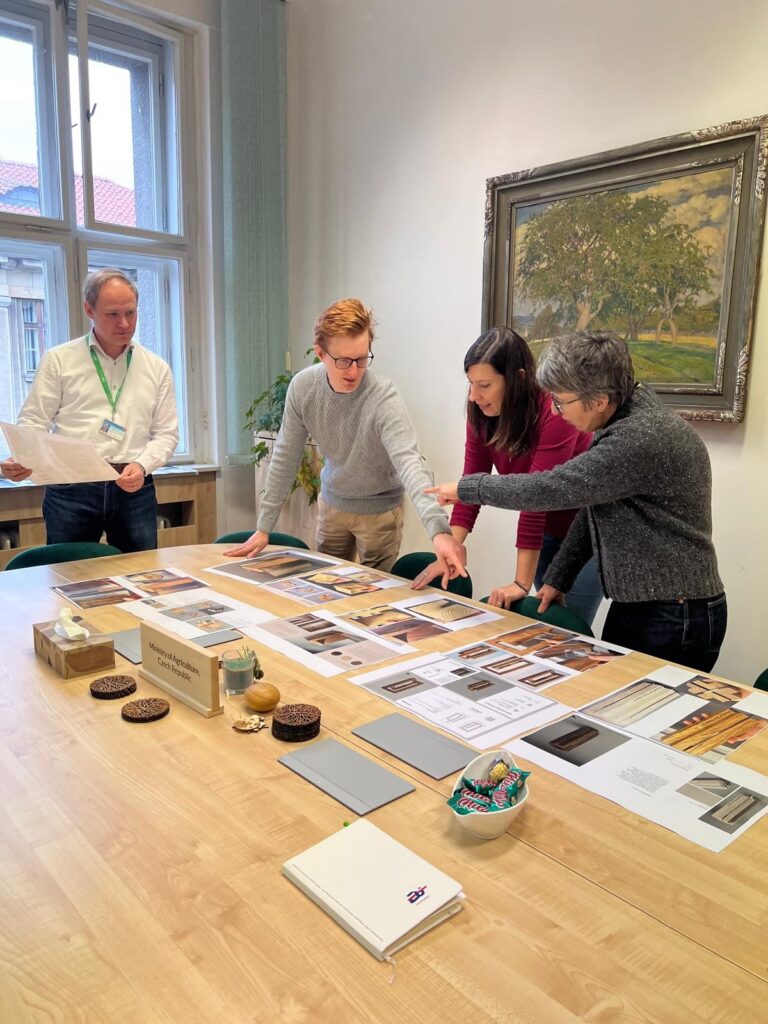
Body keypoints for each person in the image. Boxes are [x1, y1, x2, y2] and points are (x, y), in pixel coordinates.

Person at [427, 332, 726, 672]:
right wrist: (558, 579)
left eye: (561, 401)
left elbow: (550, 489)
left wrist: (468, 488)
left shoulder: (636, 438)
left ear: (599, 399)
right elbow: (594, 510)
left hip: (675, 612)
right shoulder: (622, 419)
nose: (556, 410)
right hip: (651, 604)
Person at [227, 298, 466, 583]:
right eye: (342, 361)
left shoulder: (382, 397)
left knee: (372, 598)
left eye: (362, 359)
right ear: (320, 353)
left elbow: (410, 464)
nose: (353, 371)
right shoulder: (304, 388)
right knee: (325, 589)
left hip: (380, 512)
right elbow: (285, 456)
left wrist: (439, 530)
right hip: (333, 506)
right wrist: (264, 526)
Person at [414, 326, 603, 623]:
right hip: (545, 536)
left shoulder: (554, 413)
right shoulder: (481, 410)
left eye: (485, 385)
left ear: (518, 378)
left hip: (584, 538)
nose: (475, 395)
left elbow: (536, 496)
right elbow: (470, 485)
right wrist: (452, 546)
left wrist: (520, 583)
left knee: (568, 633)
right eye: (471, 383)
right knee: (547, 628)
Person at [0, 268, 178, 552]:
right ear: (89, 309)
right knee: (68, 575)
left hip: (133, 486)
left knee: (140, 575)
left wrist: (143, 465)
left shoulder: (156, 368)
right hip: (72, 487)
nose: (124, 323)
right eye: (112, 314)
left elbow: (166, 434)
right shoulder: (59, 360)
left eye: (131, 313)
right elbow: (34, 421)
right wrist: (22, 457)